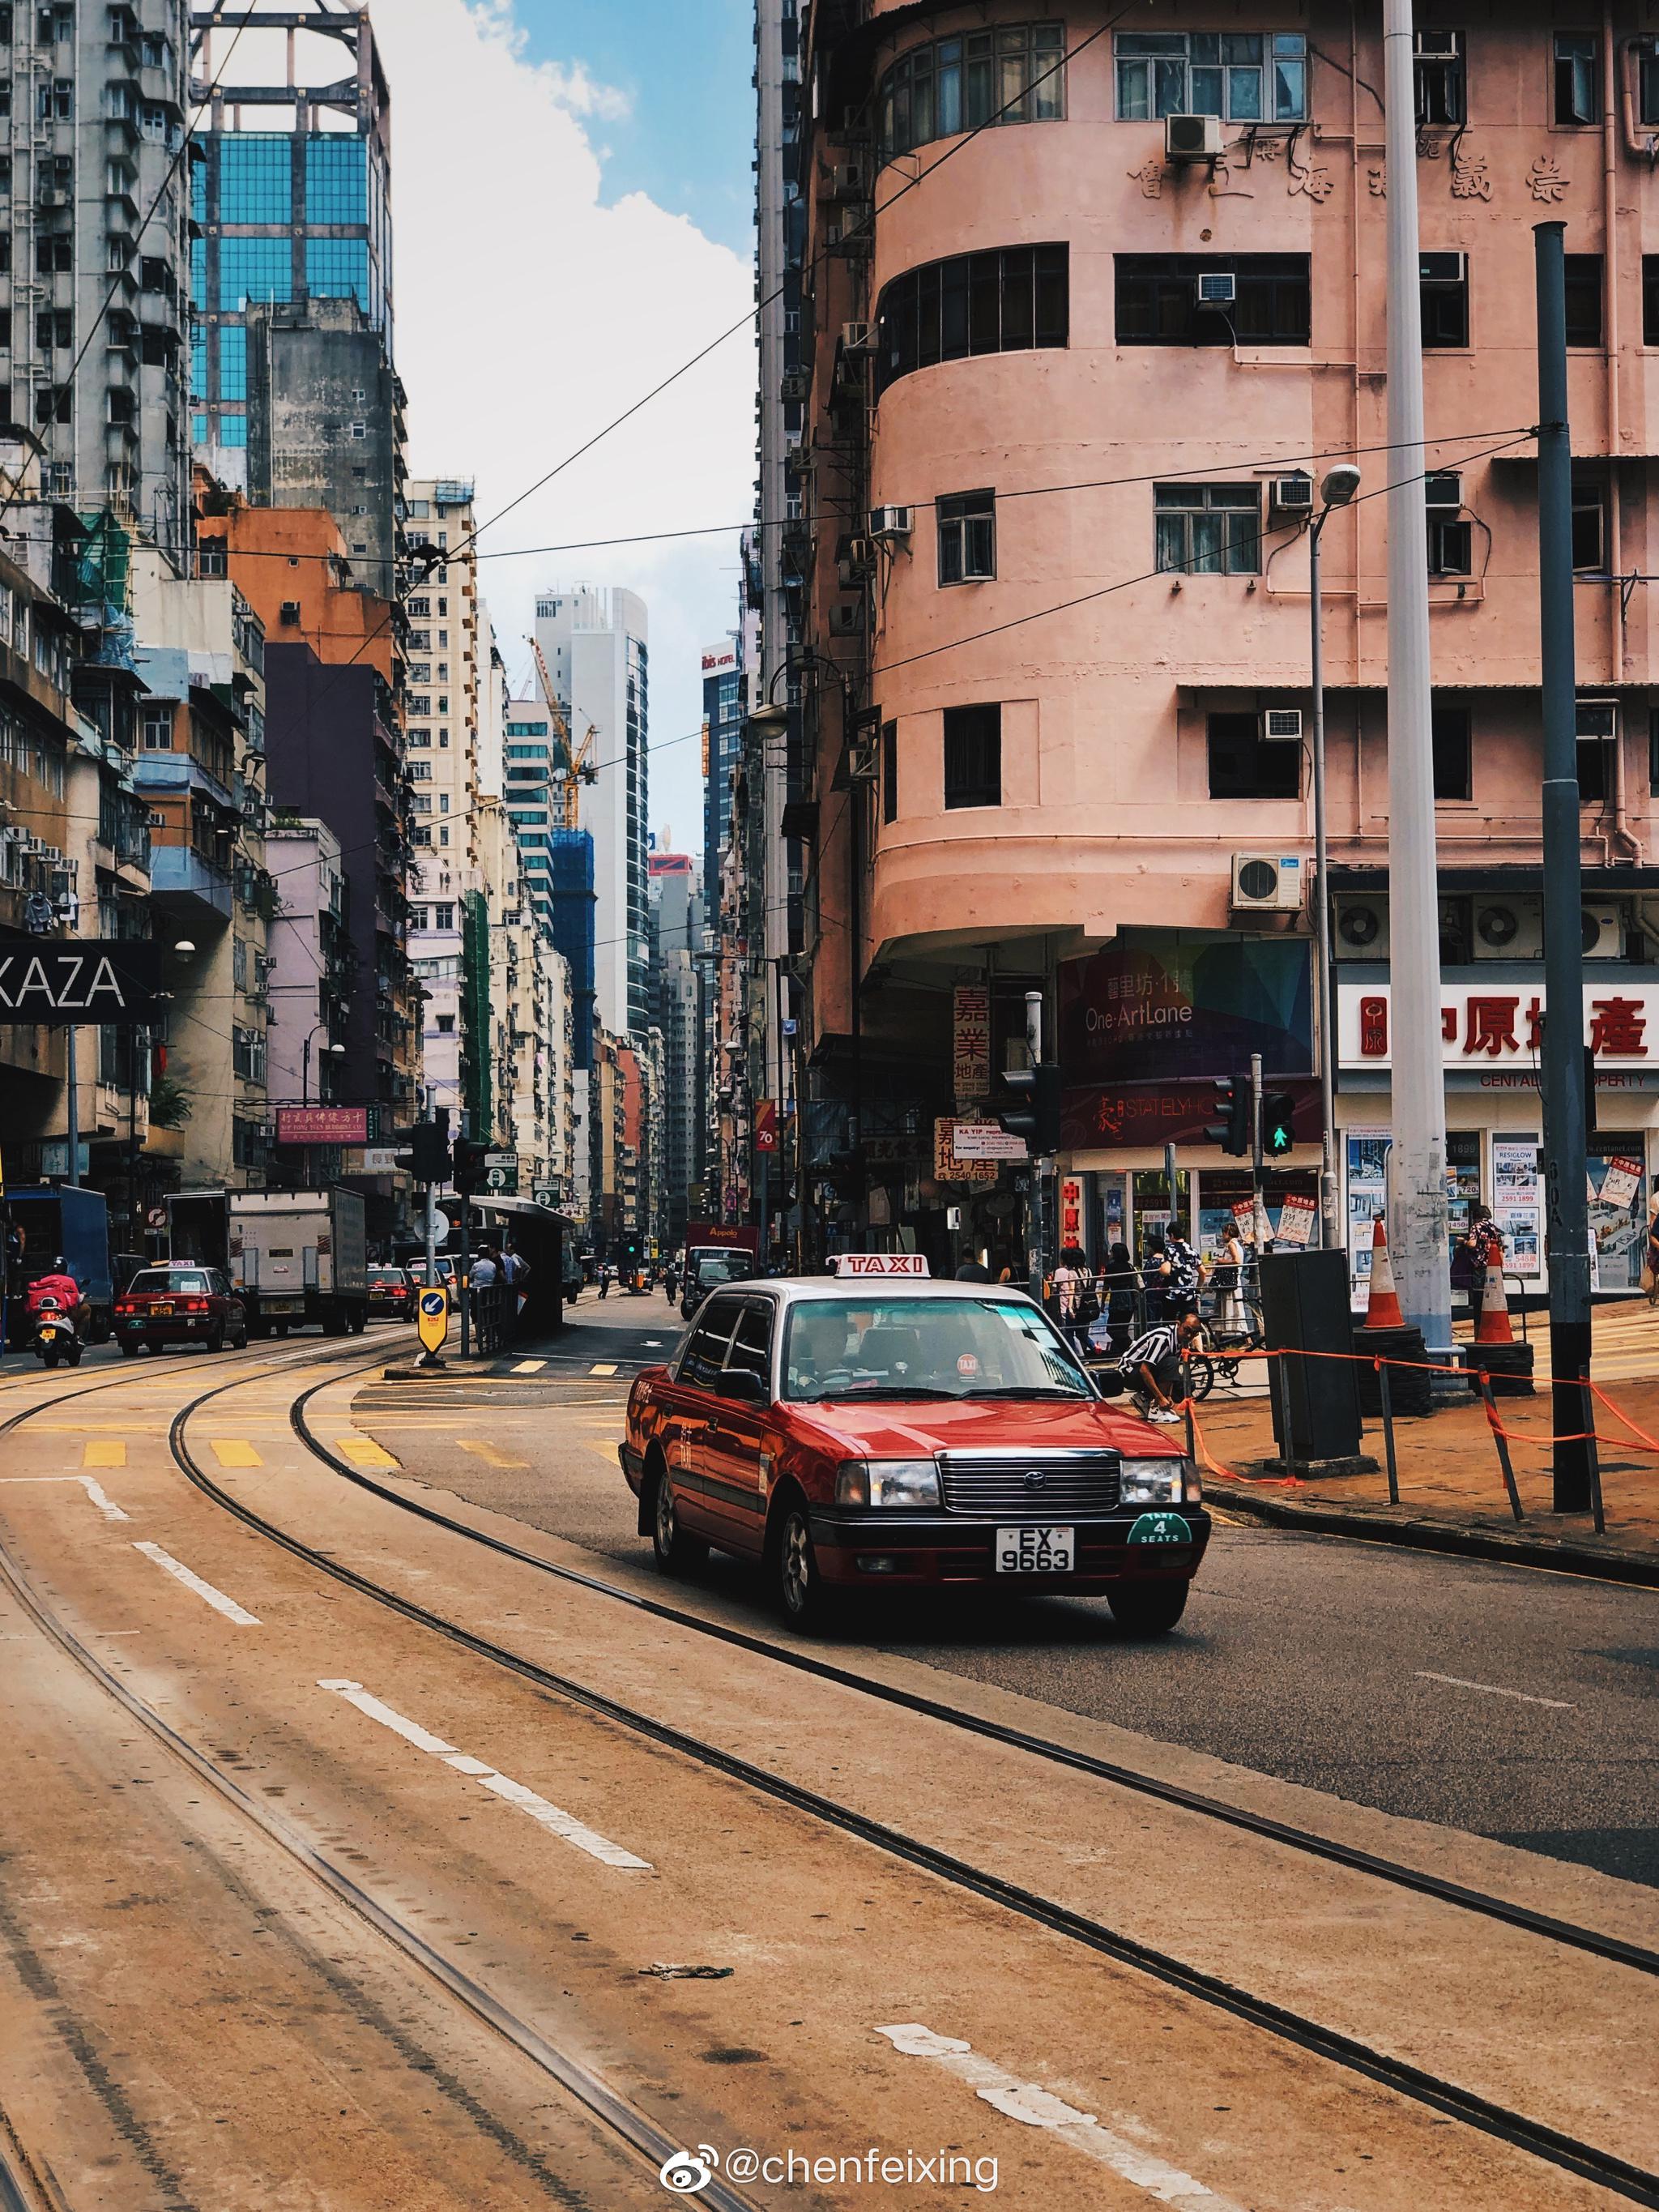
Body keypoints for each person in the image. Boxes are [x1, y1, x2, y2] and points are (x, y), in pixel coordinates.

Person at [1120, 1309, 1205, 1424]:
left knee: (1186, 1386)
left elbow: (1171, 1373)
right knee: (1171, 1362)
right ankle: (1156, 1410)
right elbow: (1144, 1370)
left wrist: (1168, 1395)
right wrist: (1161, 1398)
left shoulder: (1181, 1341)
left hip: (1145, 1371)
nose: (1189, 1335)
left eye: (1193, 1333)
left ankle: (1145, 1399)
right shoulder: (1163, 1338)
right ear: (1178, 1324)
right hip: (1130, 1373)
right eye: (1186, 1330)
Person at [1101, 1240, 1140, 1360]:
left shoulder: (1111, 1267)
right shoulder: (1130, 1266)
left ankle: (1131, 1347)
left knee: (1112, 1328)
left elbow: (1106, 1285)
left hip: (1117, 1298)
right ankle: (1125, 1352)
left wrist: (1102, 1302)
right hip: (1130, 1297)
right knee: (1123, 1327)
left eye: (1112, 1251)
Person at [1211, 1223, 1247, 1339]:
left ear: (1228, 1233)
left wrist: (1221, 1261)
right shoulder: (1238, 1245)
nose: (1222, 1235)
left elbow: (1236, 1261)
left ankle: (1247, 1339)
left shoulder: (1232, 1244)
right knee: (1233, 1310)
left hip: (1229, 1283)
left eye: (1224, 1233)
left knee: (1226, 1309)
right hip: (1234, 1282)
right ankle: (1246, 1339)